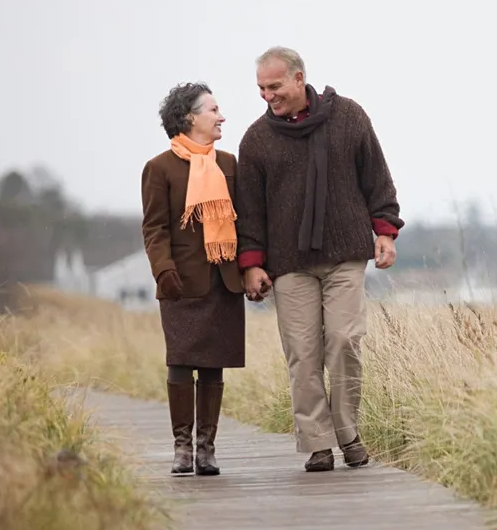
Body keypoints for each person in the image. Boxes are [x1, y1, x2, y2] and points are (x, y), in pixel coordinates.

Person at [235, 46, 403, 472]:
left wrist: (385, 230)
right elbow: (250, 210)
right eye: (261, 88)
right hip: (288, 262)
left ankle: (348, 433)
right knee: (303, 353)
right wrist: (252, 263)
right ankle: (317, 443)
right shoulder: (256, 140)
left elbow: (377, 178)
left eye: (275, 86)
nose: (268, 95)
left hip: (346, 252)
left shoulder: (348, 117)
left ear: (298, 78)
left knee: (345, 341)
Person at [140, 81, 246, 476]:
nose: (221, 117)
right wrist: (163, 270)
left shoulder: (229, 164)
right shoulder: (159, 168)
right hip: (181, 282)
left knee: (214, 364)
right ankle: (182, 449)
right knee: (181, 362)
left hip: (224, 278)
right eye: (213, 110)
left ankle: (207, 449)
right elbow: (154, 228)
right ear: (190, 118)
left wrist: (251, 267)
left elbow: (244, 220)